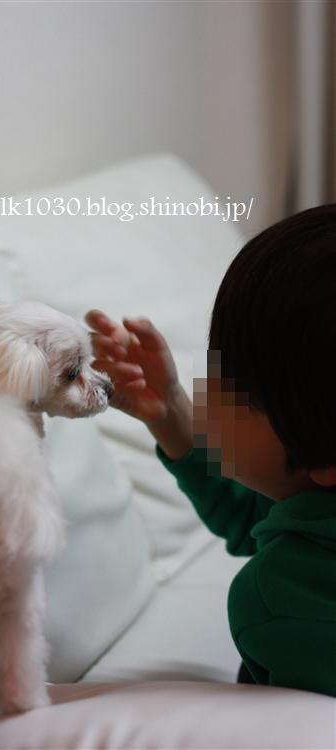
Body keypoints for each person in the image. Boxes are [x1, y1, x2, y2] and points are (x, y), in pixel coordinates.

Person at [85, 203, 336, 697]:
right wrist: (169, 413)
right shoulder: (315, 516)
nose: (208, 394)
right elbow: (260, 516)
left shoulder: (282, 594)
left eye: (239, 391)